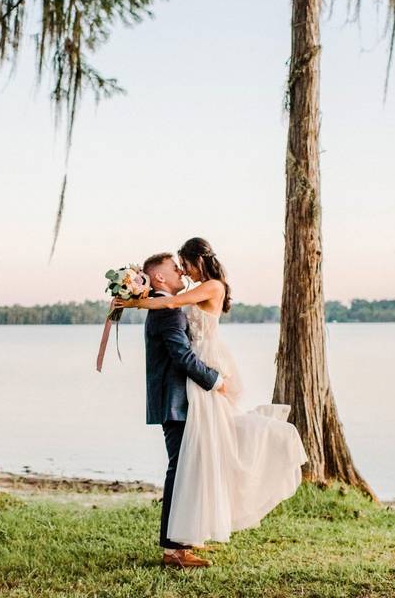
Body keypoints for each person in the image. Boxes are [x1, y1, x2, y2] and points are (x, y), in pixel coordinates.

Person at [116, 238, 308, 559]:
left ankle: (185, 538)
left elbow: (179, 330)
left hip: (194, 387)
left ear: (197, 260)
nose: (182, 270)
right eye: (176, 267)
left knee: (203, 458)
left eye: (184, 264)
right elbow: (180, 355)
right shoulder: (170, 308)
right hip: (183, 394)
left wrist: (135, 301)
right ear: (160, 278)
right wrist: (215, 381)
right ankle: (174, 546)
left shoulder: (200, 292)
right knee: (184, 467)